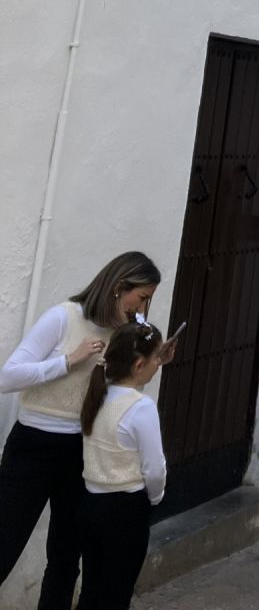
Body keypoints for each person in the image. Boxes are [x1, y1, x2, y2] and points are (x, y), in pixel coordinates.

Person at [0, 252, 166, 610]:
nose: (144, 307)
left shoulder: (124, 333)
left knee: (64, 558)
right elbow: (8, 376)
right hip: (34, 446)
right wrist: (68, 361)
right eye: (143, 297)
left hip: (81, 450)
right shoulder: (63, 317)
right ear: (120, 287)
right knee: (5, 544)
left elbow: (125, 394)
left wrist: (152, 360)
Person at [77, 322, 166, 610]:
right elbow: (155, 468)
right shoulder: (141, 407)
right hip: (126, 508)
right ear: (139, 364)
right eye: (156, 359)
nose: (158, 365)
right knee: (117, 593)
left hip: (91, 501)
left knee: (93, 589)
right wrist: (155, 498)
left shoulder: (98, 392)